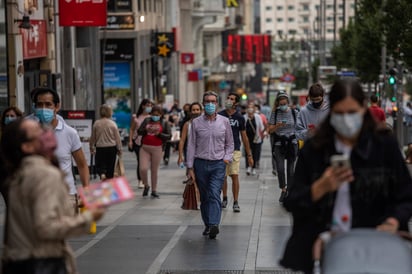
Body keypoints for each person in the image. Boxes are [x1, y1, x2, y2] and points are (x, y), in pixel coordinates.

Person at [280, 79, 412, 273]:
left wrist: (392, 221)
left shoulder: (383, 146)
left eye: (352, 112)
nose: (346, 119)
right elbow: (292, 201)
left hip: (378, 246)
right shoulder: (315, 149)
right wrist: (321, 187)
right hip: (325, 248)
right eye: (340, 113)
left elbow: (406, 194)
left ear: (363, 109)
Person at [0, 118, 105, 274]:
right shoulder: (45, 175)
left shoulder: (18, 175)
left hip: (16, 262)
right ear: (27, 146)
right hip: (42, 263)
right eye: (38, 132)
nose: (46, 133)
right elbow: (46, 227)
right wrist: (89, 217)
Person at [30, 87, 89, 215]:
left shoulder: (69, 133)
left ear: (57, 106)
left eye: (48, 104)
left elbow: (82, 164)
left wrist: (86, 191)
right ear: (34, 107)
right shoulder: (28, 132)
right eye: (39, 105)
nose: (43, 108)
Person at [186, 91, 234, 239]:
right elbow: (192, 145)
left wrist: (227, 158)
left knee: (214, 193)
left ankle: (214, 224)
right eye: (207, 102)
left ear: (217, 104)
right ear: (203, 103)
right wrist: (190, 167)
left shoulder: (224, 121)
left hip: (218, 164)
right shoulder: (196, 123)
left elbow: (230, 143)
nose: (210, 104)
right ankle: (207, 224)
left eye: (213, 101)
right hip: (200, 164)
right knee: (205, 196)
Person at [218, 92, 253, 212]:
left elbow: (244, 136)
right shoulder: (219, 115)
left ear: (236, 103)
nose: (228, 100)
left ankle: (236, 201)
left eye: (231, 99)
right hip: (220, 150)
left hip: (235, 150)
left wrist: (249, 155)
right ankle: (225, 198)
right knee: (222, 176)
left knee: (234, 175)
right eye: (228, 98)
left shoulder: (240, 117)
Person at [268, 92, 298, 203]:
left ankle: (289, 191)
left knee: (290, 170)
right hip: (279, 144)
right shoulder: (275, 113)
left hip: (291, 143)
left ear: (288, 102)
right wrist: (278, 125)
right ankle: (283, 188)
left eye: (285, 103)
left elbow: (299, 127)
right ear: (278, 104)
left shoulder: (295, 112)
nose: (283, 106)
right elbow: (270, 130)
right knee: (280, 168)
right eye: (281, 104)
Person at [138, 105, 171, 198]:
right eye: (153, 114)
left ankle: (154, 190)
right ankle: (146, 185)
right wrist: (145, 129)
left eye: (157, 114)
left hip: (157, 148)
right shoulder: (147, 120)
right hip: (145, 147)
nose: (155, 116)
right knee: (143, 169)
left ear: (160, 115)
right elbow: (139, 131)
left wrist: (159, 134)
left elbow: (169, 136)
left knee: (154, 170)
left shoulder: (164, 123)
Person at [89, 104, 122, 179]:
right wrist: (119, 149)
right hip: (112, 148)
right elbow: (117, 138)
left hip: (100, 148)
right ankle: (108, 184)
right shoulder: (113, 124)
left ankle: (102, 173)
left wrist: (91, 146)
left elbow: (93, 137)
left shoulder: (96, 123)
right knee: (110, 167)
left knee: (100, 164)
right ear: (110, 112)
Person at [128, 99, 153, 188]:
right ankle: (140, 180)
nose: (149, 107)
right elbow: (131, 129)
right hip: (137, 142)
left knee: (146, 163)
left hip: (149, 143)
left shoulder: (152, 117)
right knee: (140, 161)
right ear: (143, 106)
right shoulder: (136, 117)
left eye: (150, 105)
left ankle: (144, 178)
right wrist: (130, 141)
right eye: (147, 105)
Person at [244, 102, 264, 176]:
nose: (250, 109)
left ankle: (254, 167)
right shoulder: (244, 117)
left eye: (251, 107)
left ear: (254, 109)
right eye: (249, 107)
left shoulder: (258, 117)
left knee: (255, 153)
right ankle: (248, 167)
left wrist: (263, 135)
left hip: (256, 138)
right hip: (247, 139)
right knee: (247, 153)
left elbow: (261, 128)